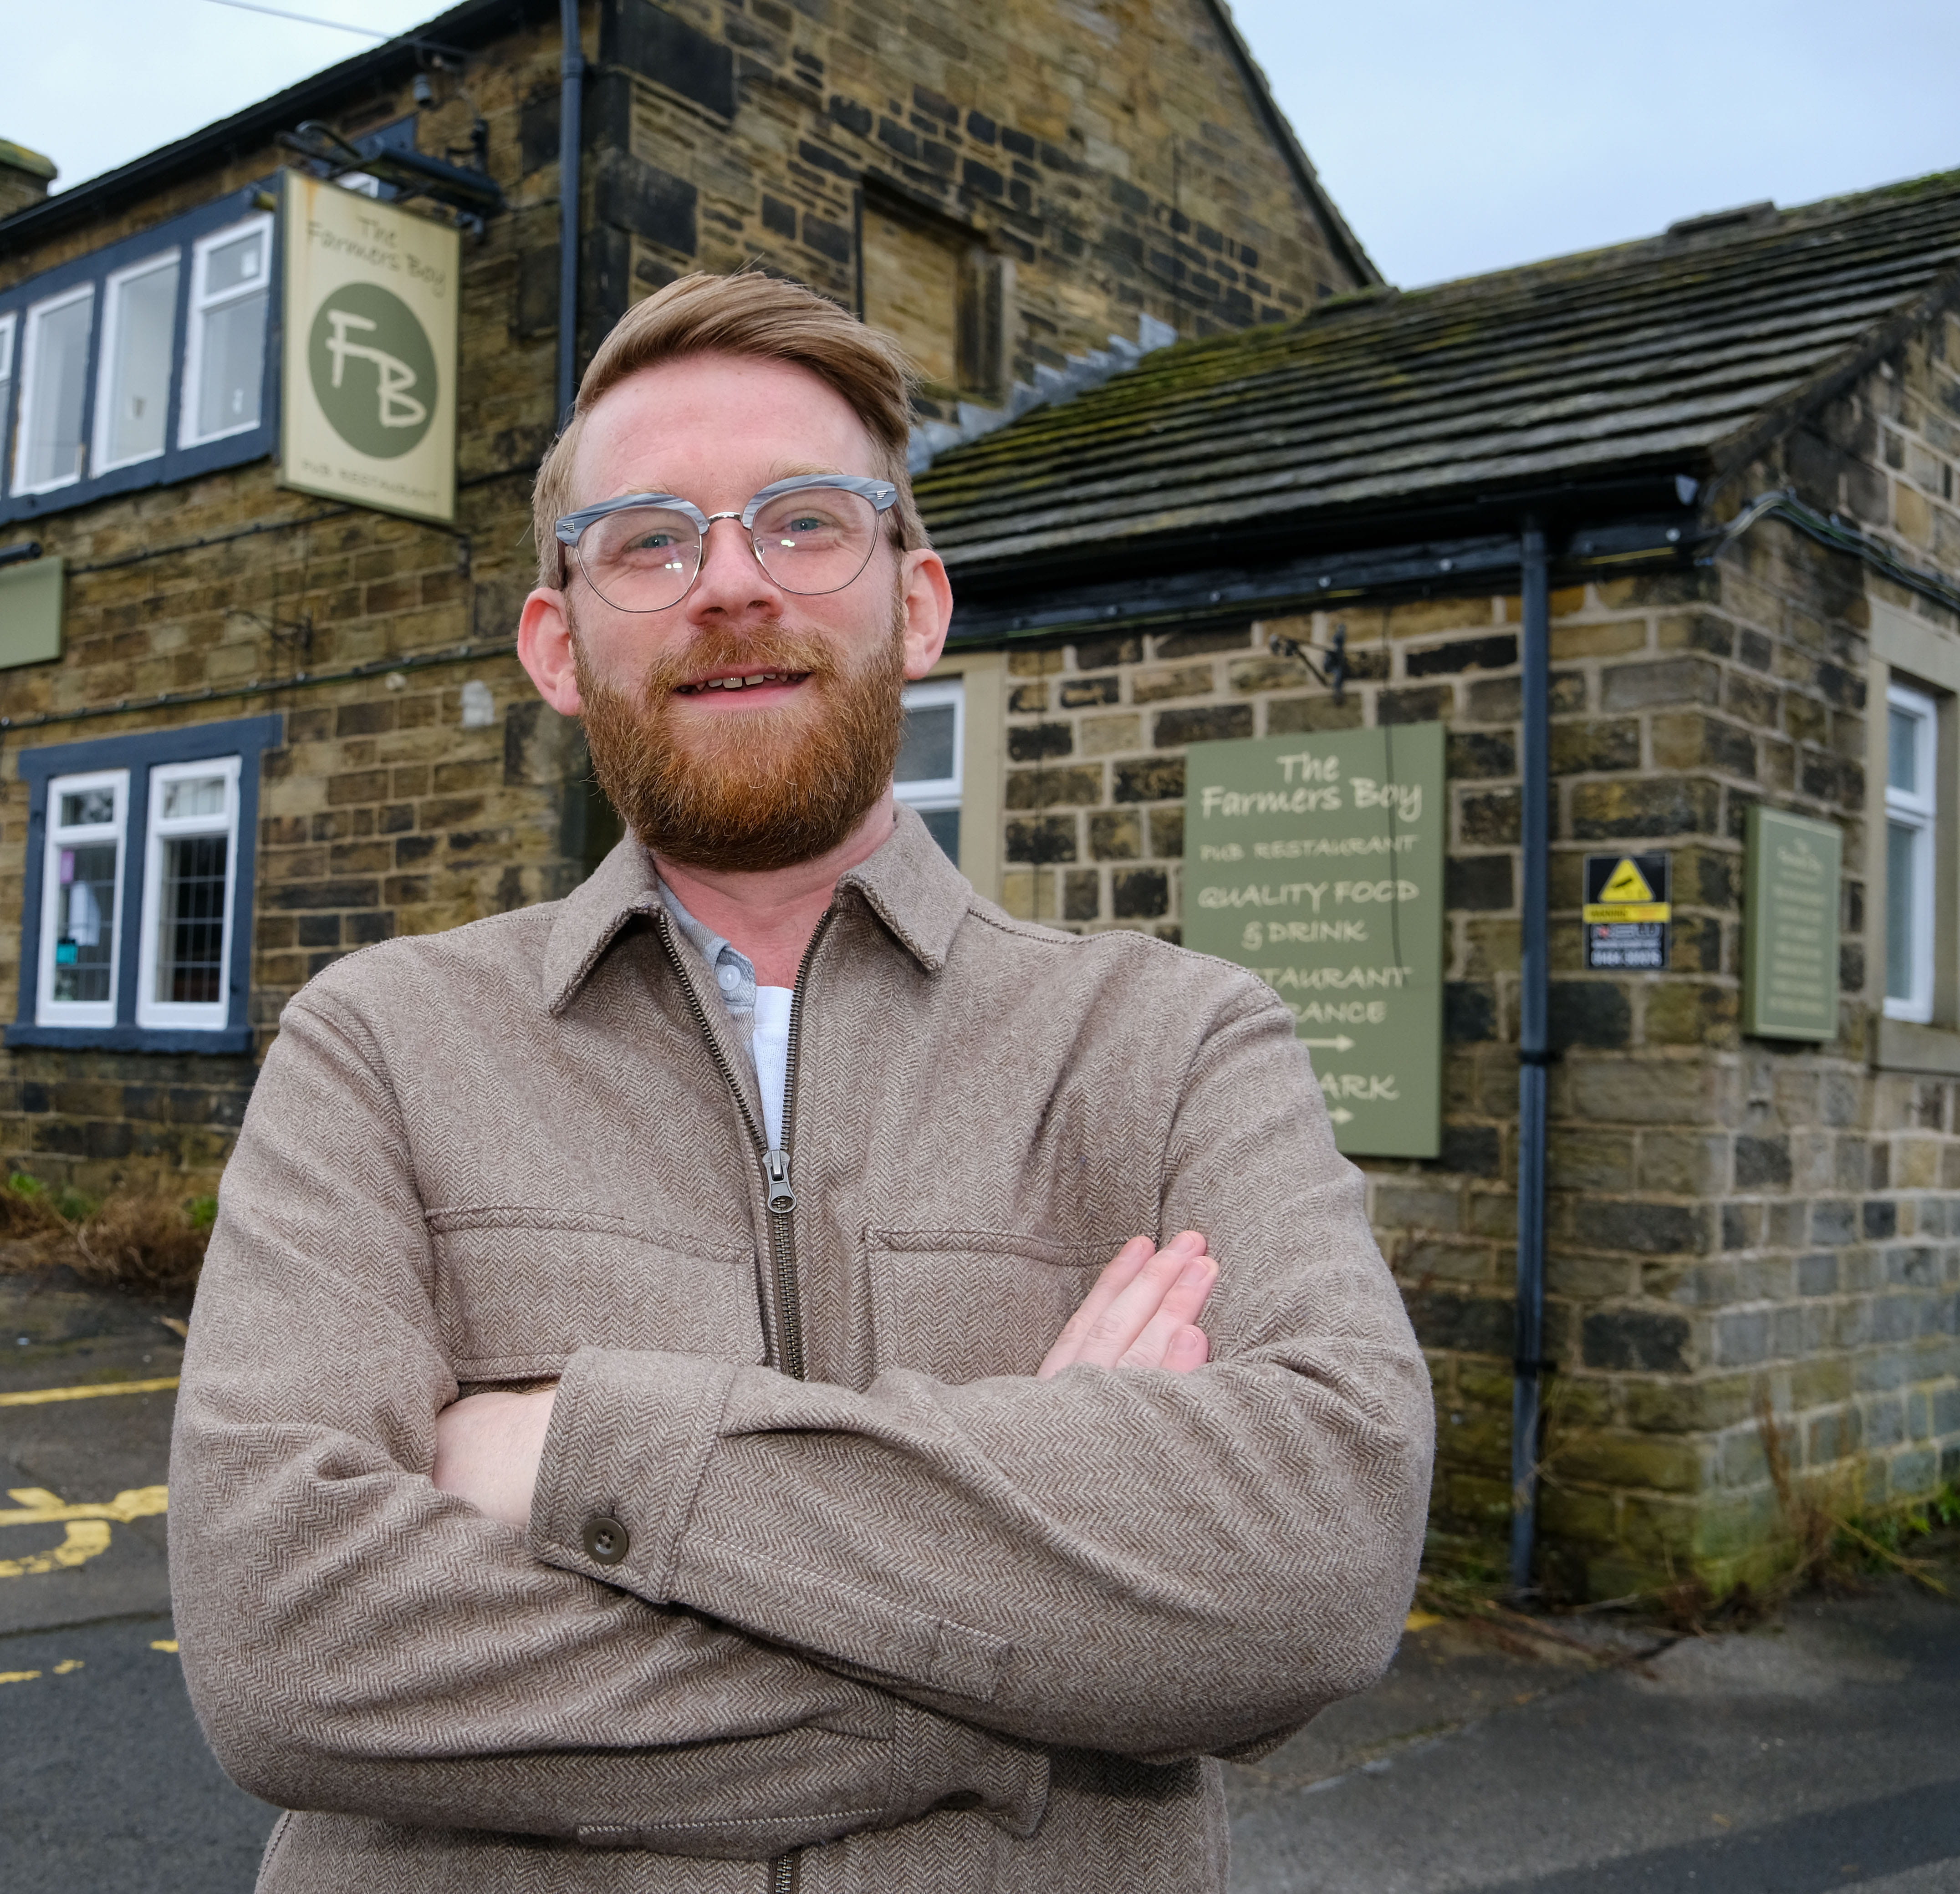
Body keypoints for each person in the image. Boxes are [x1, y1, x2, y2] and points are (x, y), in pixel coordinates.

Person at [170, 270, 1432, 1893]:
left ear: (914, 601)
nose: (731, 586)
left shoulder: (1175, 1042)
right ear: (559, 645)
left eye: (806, 523)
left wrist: (576, 1457)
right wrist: (1025, 1689)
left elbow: (1313, 1563)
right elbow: (287, 1642)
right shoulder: (383, 1042)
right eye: (651, 539)